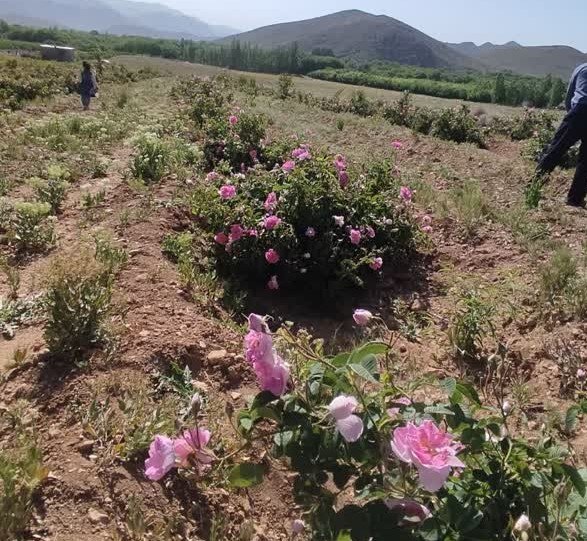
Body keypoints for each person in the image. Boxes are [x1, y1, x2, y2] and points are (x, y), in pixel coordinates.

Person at [535, 63, 587, 207]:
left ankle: (533, 187)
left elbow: (569, 96)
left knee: (556, 149)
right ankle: (575, 199)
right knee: (585, 161)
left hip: (578, 112)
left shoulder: (582, 68)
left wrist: (571, 115)